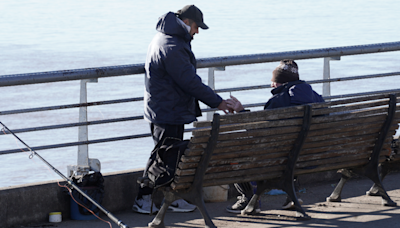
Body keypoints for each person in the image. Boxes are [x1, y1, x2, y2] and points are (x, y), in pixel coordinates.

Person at [133, 5, 231, 214]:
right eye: (196, 27)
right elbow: (189, 81)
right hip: (166, 108)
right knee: (162, 155)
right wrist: (218, 102)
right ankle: (144, 198)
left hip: (168, 106)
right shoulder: (172, 45)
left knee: (170, 155)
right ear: (186, 22)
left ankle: (173, 197)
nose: (197, 32)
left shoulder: (168, 38)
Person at [225, 59, 325, 213]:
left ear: (280, 82)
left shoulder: (278, 102)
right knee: (295, 145)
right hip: (313, 156)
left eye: (273, 81)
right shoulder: (318, 99)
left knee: (235, 151)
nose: (272, 85)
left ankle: (248, 199)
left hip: (278, 159)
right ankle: (292, 195)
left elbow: (258, 133)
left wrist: (241, 112)